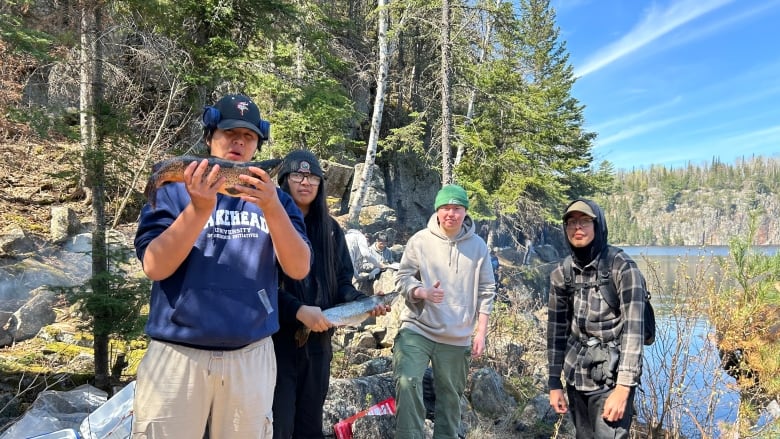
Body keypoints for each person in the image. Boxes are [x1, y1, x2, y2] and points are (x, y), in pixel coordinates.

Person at [133, 94, 311, 439]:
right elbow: (154, 266)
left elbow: (299, 268)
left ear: (257, 145)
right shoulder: (174, 192)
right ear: (209, 137)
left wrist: (273, 208)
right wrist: (199, 209)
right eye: (229, 132)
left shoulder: (278, 200)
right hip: (177, 353)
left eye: (248, 136)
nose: (238, 141)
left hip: (251, 353)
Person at [272, 149, 390, 439]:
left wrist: (363, 303)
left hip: (319, 344)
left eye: (312, 176)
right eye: (297, 175)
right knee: (278, 423)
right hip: (277, 343)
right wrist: (298, 310)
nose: (305, 182)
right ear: (284, 180)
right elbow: (264, 287)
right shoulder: (271, 224)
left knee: (310, 425)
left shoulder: (332, 231)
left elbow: (342, 284)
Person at [393, 184, 496, 438]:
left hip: (457, 336)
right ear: (437, 210)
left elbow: (486, 290)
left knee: (450, 401)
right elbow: (402, 277)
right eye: (445, 208)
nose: (451, 213)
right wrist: (421, 292)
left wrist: (480, 332)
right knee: (407, 383)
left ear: (465, 212)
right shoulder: (420, 240)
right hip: (417, 328)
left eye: (457, 208)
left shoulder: (478, 246)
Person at [547, 199, 646, 439]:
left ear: (598, 225)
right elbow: (556, 330)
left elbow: (634, 331)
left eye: (584, 221)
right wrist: (554, 383)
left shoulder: (622, 267)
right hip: (575, 376)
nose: (577, 228)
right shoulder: (562, 272)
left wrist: (624, 388)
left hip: (611, 379)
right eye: (571, 222)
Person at [344, 228, 381, 294]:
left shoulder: (346, 236)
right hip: (347, 266)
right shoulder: (360, 237)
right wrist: (379, 265)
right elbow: (366, 254)